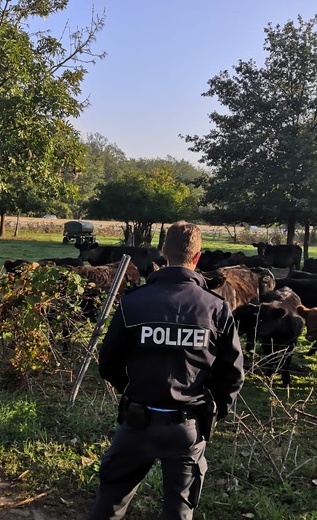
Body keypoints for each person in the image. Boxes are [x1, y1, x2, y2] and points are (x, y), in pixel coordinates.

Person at [87, 221, 245, 520]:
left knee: (109, 506)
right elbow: (232, 374)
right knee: (179, 513)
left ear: (163, 252)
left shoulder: (133, 303)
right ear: (197, 258)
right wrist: (212, 411)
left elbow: (108, 363)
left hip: (137, 422)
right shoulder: (216, 308)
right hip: (187, 427)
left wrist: (133, 391)